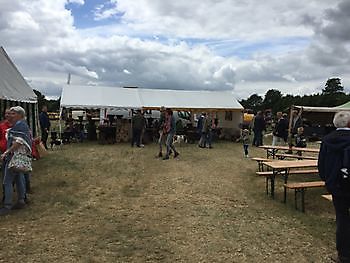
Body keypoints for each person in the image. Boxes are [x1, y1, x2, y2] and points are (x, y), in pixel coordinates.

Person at [318, 111, 350, 262]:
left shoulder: (326, 140)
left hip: (336, 186)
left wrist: (329, 181)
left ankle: (343, 255)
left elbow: (321, 166)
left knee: (342, 219)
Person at [0, 106, 32, 216]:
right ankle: (21, 200)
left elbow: (19, 141)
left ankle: (7, 206)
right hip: (16, 156)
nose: (10, 115)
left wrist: (7, 152)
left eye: (13, 114)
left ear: (20, 115)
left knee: (7, 181)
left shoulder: (20, 125)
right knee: (18, 179)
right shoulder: (20, 125)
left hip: (14, 157)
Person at [0, 109, 12, 202]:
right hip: (4, 153)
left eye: (9, 113)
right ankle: (6, 196)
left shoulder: (16, 125)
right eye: (6, 113)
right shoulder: (2, 126)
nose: (7, 115)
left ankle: (22, 197)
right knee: (5, 177)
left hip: (13, 153)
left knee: (17, 177)